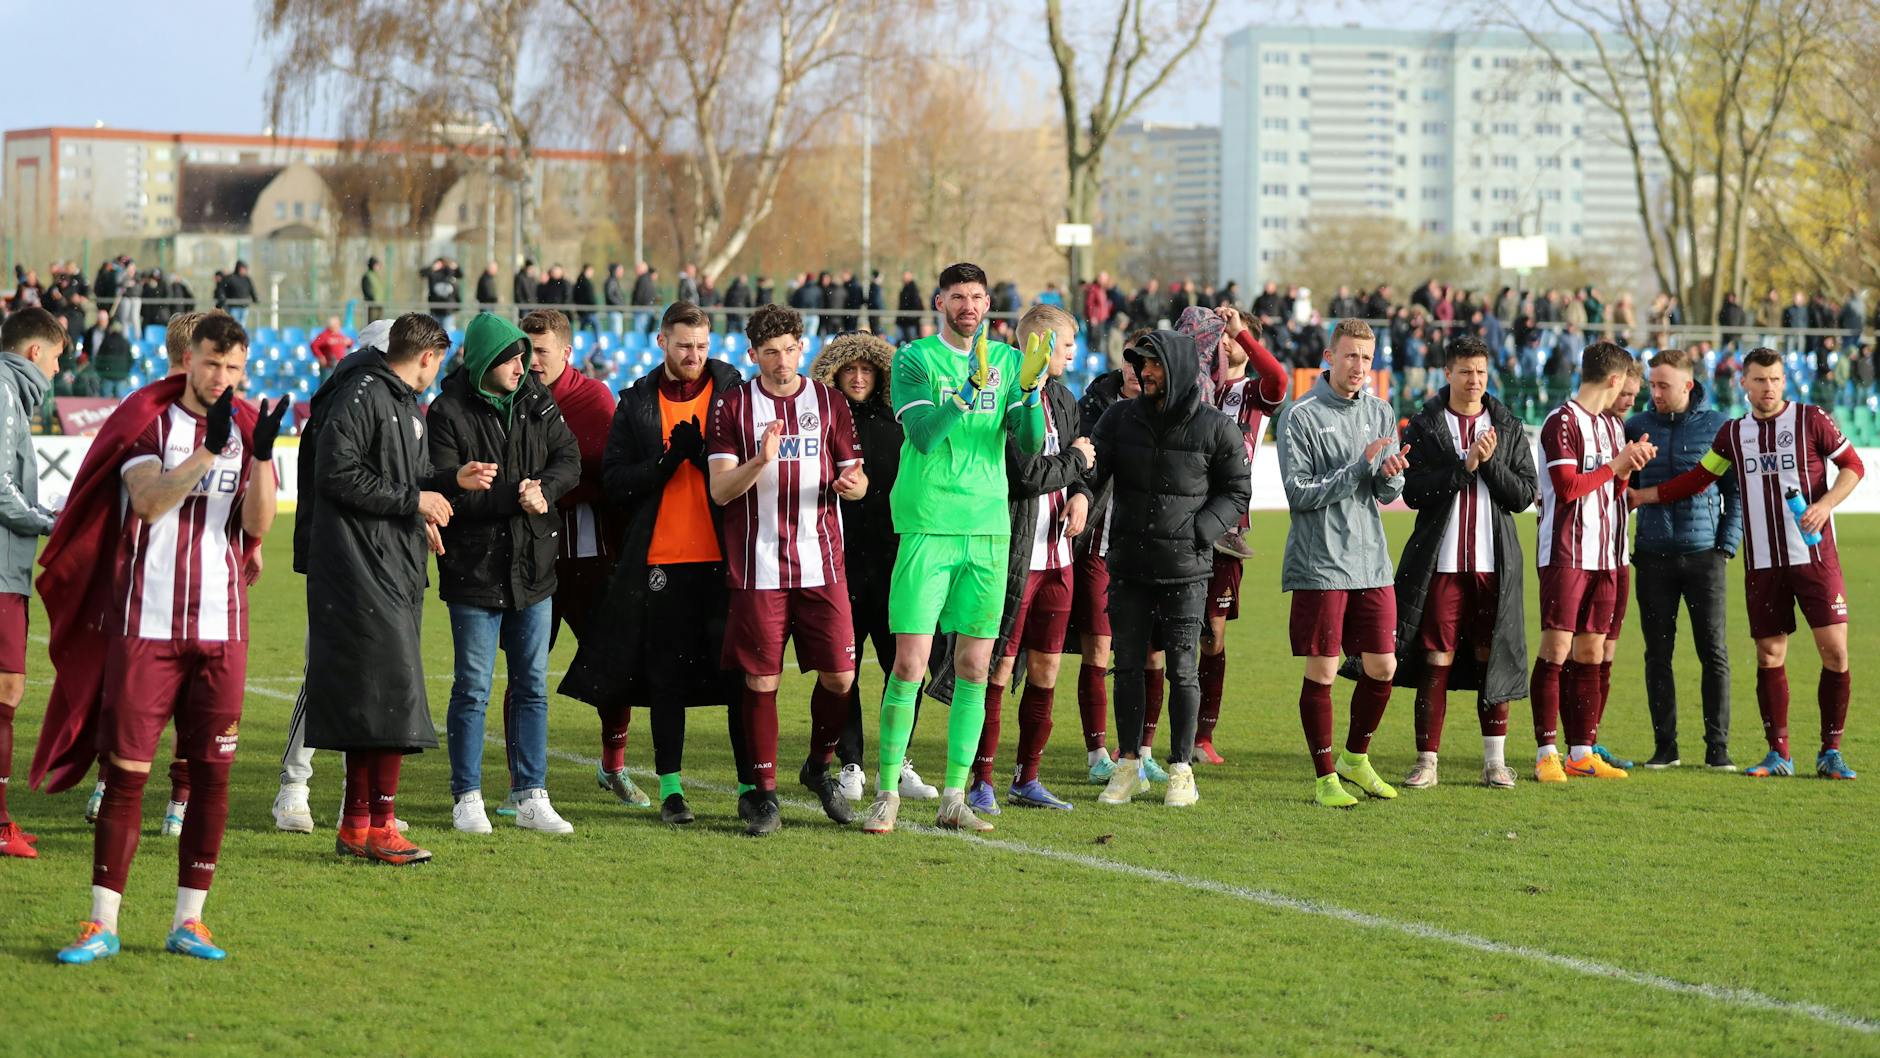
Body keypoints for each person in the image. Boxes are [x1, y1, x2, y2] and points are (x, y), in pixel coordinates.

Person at [35, 313, 286, 962]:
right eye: (211, 365)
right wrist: (209, 451)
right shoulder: (150, 420)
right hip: (147, 627)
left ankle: (189, 922)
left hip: (223, 631)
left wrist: (257, 459)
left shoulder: (250, 431)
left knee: (212, 778)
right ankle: (102, 922)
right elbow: (147, 501)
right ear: (188, 361)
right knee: (126, 776)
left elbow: (258, 525)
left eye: (234, 369)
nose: (221, 378)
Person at [860, 262, 1046, 834]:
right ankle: (887, 793)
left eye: (977, 296)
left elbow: (1029, 445)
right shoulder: (914, 359)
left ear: (989, 303)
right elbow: (921, 434)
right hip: (929, 524)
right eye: (958, 296)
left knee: (974, 665)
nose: (968, 306)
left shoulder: (1013, 361)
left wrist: (1032, 394)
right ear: (940, 301)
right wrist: (968, 391)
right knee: (911, 663)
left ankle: (955, 798)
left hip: (989, 528)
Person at [302, 313, 495, 865]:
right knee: (392, 698)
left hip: (388, 562)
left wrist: (439, 491)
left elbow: (394, 480)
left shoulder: (399, 400)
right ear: (429, 356)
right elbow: (336, 474)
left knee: (376, 701)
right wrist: (414, 503)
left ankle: (357, 824)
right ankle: (382, 825)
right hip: (360, 567)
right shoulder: (362, 394)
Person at [1631, 347, 1864, 780]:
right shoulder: (1734, 435)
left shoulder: (1811, 419)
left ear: (1784, 381)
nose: (1769, 387)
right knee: (1770, 655)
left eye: (1775, 379)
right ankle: (1780, 754)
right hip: (1763, 564)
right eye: (1759, 380)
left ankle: (1830, 751)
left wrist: (1827, 504)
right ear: (1744, 383)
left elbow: (1853, 465)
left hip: (1814, 557)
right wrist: (1644, 496)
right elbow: (1700, 478)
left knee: (1835, 652)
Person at [559, 302, 749, 824]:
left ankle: (751, 787)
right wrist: (667, 463)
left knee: (738, 678)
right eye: (684, 345)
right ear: (662, 342)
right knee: (666, 680)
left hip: (725, 558)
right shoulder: (637, 401)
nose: (694, 356)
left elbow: (755, 464)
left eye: (703, 346)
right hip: (662, 558)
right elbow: (616, 482)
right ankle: (671, 790)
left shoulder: (733, 392)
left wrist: (707, 449)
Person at [702, 305, 867, 835]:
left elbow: (858, 478)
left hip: (823, 563)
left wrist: (852, 487)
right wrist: (760, 460)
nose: (781, 360)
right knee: (762, 679)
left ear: (802, 348)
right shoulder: (732, 406)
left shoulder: (829, 400)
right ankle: (764, 796)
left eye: (789, 349)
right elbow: (721, 490)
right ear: (753, 355)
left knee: (841, 676)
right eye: (769, 352)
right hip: (758, 565)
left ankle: (818, 768)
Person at [928, 304, 1091, 814]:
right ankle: (982, 781)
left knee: (1046, 670)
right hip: (1016, 555)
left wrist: (1082, 490)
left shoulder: (1065, 398)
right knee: (997, 668)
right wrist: (1077, 464)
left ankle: (1028, 777)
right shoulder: (1008, 396)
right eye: (1066, 345)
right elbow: (1025, 476)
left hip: (1059, 558)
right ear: (1040, 345)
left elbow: (1073, 467)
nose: (1073, 354)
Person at [428, 313, 582, 834]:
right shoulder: (447, 411)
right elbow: (444, 491)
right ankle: (465, 797)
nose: (525, 365)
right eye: (514, 358)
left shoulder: (538, 397)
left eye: (527, 356)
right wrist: (516, 494)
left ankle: (530, 795)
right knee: (472, 687)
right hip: (474, 570)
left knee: (532, 685)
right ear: (486, 362)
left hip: (534, 568)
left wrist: (548, 489)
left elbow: (569, 459)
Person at [1089, 326, 1251, 808]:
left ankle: (1181, 769)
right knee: (1128, 670)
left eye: (1156, 364)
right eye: (1141, 365)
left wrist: (1200, 532)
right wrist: (1075, 482)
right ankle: (1128, 767)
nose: (1147, 373)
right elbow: (1092, 471)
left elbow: (1236, 490)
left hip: (1187, 571)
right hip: (1129, 569)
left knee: (1183, 671)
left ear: (1179, 368)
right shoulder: (1119, 418)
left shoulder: (1216, 427)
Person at [1389, 336, 1539, 790]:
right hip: (1442, 564)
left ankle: (1495, 763)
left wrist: (1488, 465)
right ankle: (1427, 761)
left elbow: (1523, 495)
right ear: (1448, 374)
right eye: (1465, 371)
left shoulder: (1507, 425)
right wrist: (1464, 465)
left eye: (1481, 372)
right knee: (1436, 657)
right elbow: (1412, 492)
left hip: (1494, 565)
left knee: (1490, 657)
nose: (1474, 380)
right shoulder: (1426, 425)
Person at [1275, 318, 1409, 808]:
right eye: (1350, 355)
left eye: (1367, 358)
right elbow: (1299, 493)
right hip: (1322, 563)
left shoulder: (1381, 411)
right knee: (1325, 670)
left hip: (1371, 560)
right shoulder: (1301, 415)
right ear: (1329, 357)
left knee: (1383, 665)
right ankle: (1324, 776)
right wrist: (1359, 466)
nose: (1359, 367)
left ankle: (1356, 756)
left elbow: (1384, 489)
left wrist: (1391, 473)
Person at [517, 310, 645, 806]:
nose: (531, 363)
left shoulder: (593, 398)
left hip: (592, 559)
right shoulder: (512, 396)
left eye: (541, 352)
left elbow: (609, 474)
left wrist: (552, 488)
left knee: (612, 666)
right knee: (527, 671)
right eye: (524, 352)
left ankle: (613, 766)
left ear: (567, 353)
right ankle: (520, 780)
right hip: (530, 558)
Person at [810, 332, 938, 803]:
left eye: (867, 369)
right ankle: (850, 763)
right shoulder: (822, 422)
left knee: (904, 665)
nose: (859, 377)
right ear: (835, 374)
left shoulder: (900, 422)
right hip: (838, 562)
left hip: (897, 560)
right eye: (850, 370)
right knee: (842, 667)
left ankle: (898, 759)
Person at [1529, 341, 1655, 783]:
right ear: (1616, 379)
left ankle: (1580, 751)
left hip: (1606, 554)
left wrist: (1625, 468)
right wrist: (1616, 464)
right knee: (1556, 650)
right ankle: (1547, 751)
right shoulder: (1561, 422)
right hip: (1566, 554)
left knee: (1590, 652)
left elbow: (1611, 490)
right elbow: (1565, 488)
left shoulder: (1611, 426)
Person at [1626, 348, 1740, 770]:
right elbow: (1623, 490)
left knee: (1713, 652)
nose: (1654, 393)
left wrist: (1725, 546)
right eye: (1652, 385)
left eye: (1663, 386)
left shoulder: (1718, 428)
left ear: (1688, 386)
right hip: (1652, 557)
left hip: (1703, 557)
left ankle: (1718, 750)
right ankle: (1665, 748)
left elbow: (1735, 493)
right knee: (1657, 655)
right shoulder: (1635, 427)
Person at [1190, 305, 1290, 765]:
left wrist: (1241, 334)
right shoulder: (1192, 386)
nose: (1226, 341)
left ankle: (1202, 735)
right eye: (1222, 335)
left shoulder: (1251, 393)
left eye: (1236, 337)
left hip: (1229, 531)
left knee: (1213, 635)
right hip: (1181, 521)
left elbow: (1280, 382)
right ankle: (1148, 737)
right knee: (1164, 633)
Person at [0, 309, 63, 858]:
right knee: (7, 689)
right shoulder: (3, 391)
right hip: (0, 569)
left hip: (9, 566)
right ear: (36, 353)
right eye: (58, 356)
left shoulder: (9, 394)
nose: (60, 369)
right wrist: (50, 522)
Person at [423, 257, 464, 328]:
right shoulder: (433, 273)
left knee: (446, 332)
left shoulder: (449, 273)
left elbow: (460, 275)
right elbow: (422, 273)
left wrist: (455, 267)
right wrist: (432, 268)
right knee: (433, 332)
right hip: (435, 309)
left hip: (448, 310)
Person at [896, 271, 924, 345]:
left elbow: (916, 305)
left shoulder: (912, 290)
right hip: (906, 320)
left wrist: (911, 317)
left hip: (910, 321)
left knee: (912, 342)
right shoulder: (906, 289)